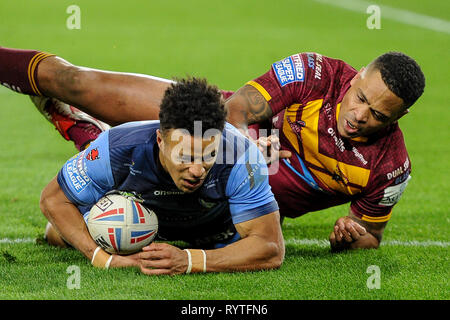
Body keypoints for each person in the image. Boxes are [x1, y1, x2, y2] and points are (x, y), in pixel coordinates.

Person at [0, 47, 425, 252]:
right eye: (361, 98)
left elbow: (370, 235)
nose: (360, 115)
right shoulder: (317, 73)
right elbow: (235, 111)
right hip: (206, 129)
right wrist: (250, 150)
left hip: (216, 206)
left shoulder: (388, 168)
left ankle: (82, 132)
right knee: (73, 81)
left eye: (379, 115)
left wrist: (351, 238)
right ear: (356, 78)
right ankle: (83, 125)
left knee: (79, 226)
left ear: (398, 118)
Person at [38, 77, 285, 275]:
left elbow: (270, 247)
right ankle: (86, 132)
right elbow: (53, 200)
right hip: (142, 219)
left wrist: (189, 260)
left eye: (209, 155)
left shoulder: (242, 157)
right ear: (160, 140)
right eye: (186, 157)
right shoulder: (118, 148)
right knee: (56, 234)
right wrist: (103, 259)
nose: (198, 170)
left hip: (214, 230)